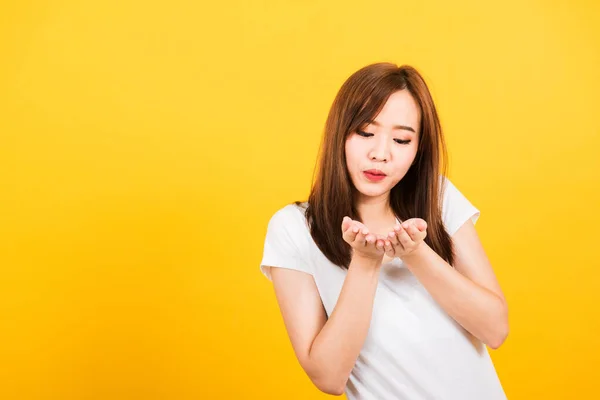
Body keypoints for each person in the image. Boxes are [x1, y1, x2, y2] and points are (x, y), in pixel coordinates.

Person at [259, 62, 508, 399]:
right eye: (365, 132)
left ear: (418, 149)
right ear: (340, 134)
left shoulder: (438, 198)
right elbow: (328, 377)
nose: (381, 153)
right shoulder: (295, 228)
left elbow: (495, 329)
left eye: (402, 139)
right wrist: (364, 262)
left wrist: (417, 254)